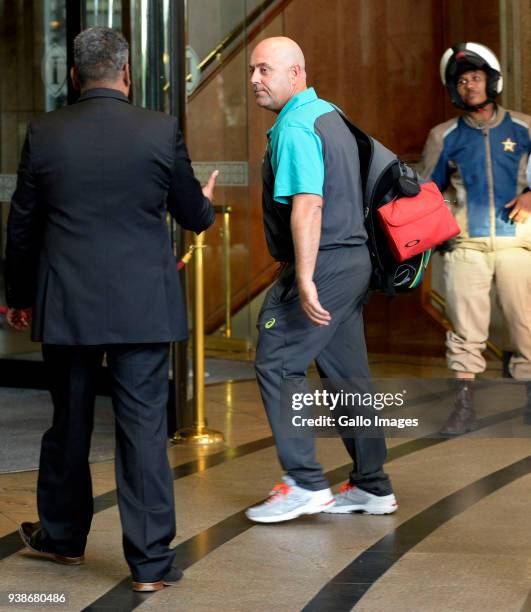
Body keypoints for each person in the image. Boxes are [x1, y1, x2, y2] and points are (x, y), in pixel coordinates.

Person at [5, 27, 217, 591]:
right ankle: (149, 566)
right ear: (126, 74)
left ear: (74, 77)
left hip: (67, 304)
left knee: (69, 422)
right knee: (144, 428)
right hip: (143, 306)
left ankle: (65, 540)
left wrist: (19, 296)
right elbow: (193, 214)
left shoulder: (44, 133)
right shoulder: (159, 129)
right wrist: (207, 205)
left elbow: (22, 224)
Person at [245, 36, 396, 523]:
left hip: (324, 261)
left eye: (265, 70)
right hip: (354, 261)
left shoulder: (294, 126)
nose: (254, 80)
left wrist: (305, 278)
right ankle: (372, 486)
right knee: (346, 374)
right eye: (252, 70)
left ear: (296, 74)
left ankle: (304, 483)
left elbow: (309, 203)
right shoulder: (330, 115)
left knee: (277, 359)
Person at [418, 42, 531, 434]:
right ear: (455, 88)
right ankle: (464, 407)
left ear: (491, 81)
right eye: (463, 80)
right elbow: (426, 191)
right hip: (465, 247)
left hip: (519, 244)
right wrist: (442, 228)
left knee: (526, 326)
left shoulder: (524, 127)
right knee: (466, 331)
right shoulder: (443, 135)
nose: (470, 86)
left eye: (477, 77)